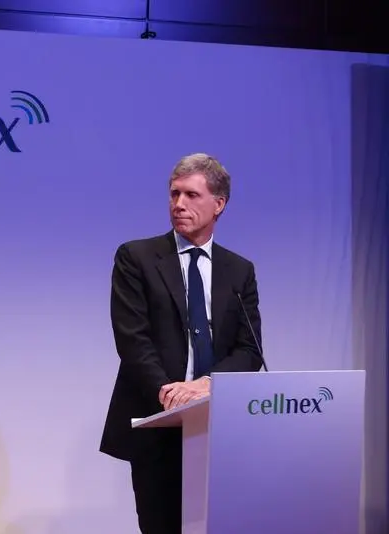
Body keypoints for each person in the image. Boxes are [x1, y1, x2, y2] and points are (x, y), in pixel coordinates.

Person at [99, 153, 263, 534]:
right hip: (159, 423)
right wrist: (171, 393)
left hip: (219, 426)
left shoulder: (239, 270)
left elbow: (250, 350)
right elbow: (133, 339)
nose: (179, 204)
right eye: (174, 194)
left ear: (219, 204)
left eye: (191, 195)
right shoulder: (136, 258)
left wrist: (205, 386)